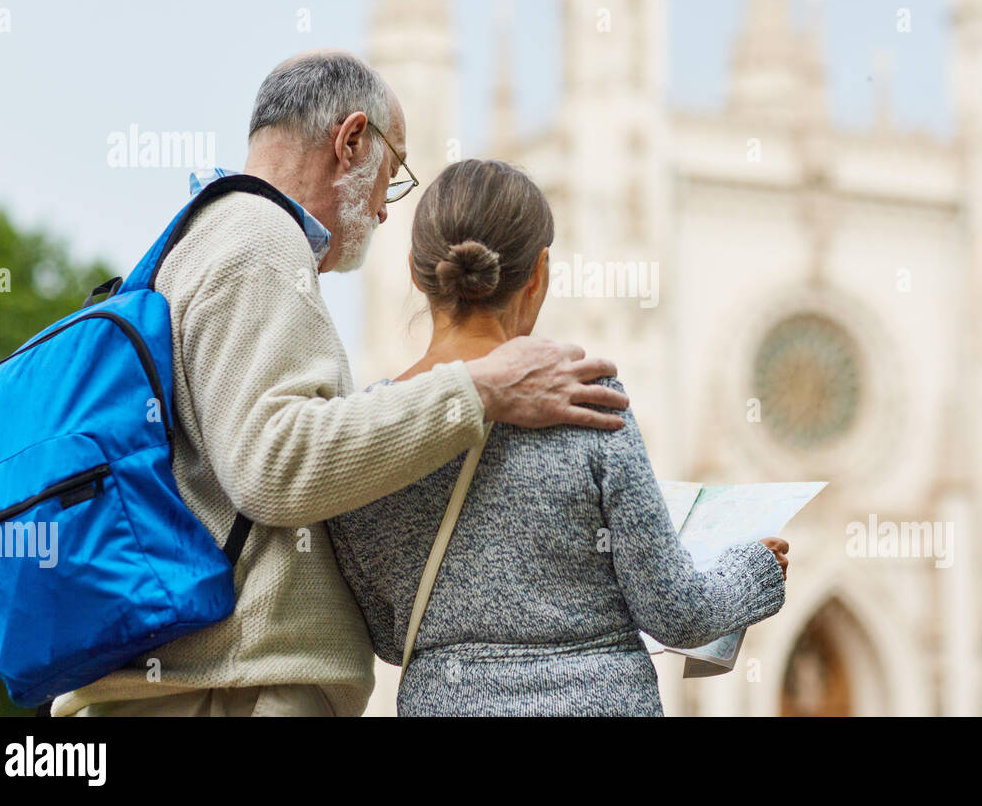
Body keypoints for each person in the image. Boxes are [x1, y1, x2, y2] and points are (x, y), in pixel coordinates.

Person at [54, 51, 628, 717]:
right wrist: (479, 390)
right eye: (392, 174)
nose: (385, 210)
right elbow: (273, 464)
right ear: (351, 140)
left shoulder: (208, 233)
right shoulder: (261, 238)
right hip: (233, 696)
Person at [327, 159, 790, 716]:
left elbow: (388, 635)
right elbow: (678, 613)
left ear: (415, 269)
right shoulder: (588, 400)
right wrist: (755, 571)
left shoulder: (364, 430)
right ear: (539, 273)